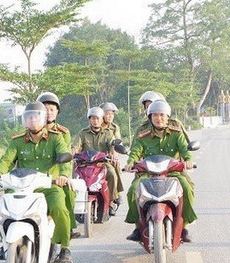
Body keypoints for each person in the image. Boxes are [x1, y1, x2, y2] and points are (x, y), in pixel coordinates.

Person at [0, 101, 74, 263]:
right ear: (24, 120)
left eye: (36, 117)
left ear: (43, 119)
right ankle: (5, 243)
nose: (32, 120)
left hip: (48, 186)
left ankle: (64, 247)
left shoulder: (56, 138)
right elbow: (6, 160)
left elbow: (65, 156)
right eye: (29, 117)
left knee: (59, 207)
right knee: (3, 209)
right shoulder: (17, 141)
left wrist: (63, 175)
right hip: (21, 188)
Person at [123, 100, 198, 243]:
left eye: (162, 115)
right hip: (148, 174)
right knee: (133, 190)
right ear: (150, 117)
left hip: (172, 173)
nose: (159, 119)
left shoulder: (177, 134)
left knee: (187, 188)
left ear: (168, 116)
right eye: (155, 115)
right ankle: (138, 227)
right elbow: (135, 153)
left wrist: (188, 160)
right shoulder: (143, 137)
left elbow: (185, 150)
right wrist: (130, 163)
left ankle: (184, 227)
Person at [37, 91, 79, 238]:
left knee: (69, 192)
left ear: (57, 112)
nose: (48, 113)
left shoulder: (63, 133)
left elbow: (65, 155)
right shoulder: (30, 129)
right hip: (32, 178)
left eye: (52, 109)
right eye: (45, 109)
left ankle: (68, 228)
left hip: (56, 175)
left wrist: (65, 175)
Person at [71, 107, 120, 215]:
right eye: (93, 118)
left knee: (111, 174)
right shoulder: (82, 133)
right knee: (74, 176)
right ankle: (75, 202)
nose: (95, 121)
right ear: (89, 120)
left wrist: (112, 154)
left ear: (102, 119)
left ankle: (111, 202)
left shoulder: (108, 133)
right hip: (85, 164)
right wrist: (73, 153)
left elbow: (112, 146)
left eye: (98, 118)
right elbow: (76, 146)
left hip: (102, 163)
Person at [100, 102, 125, 212]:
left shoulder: (115, 128)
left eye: (112, 114)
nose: (110, 116)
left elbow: (117, 143)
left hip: (109, 156)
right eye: (107, 113)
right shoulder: (96, 125)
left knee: (115, 168)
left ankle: (115, 195)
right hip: (94, 157)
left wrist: (114, 156)